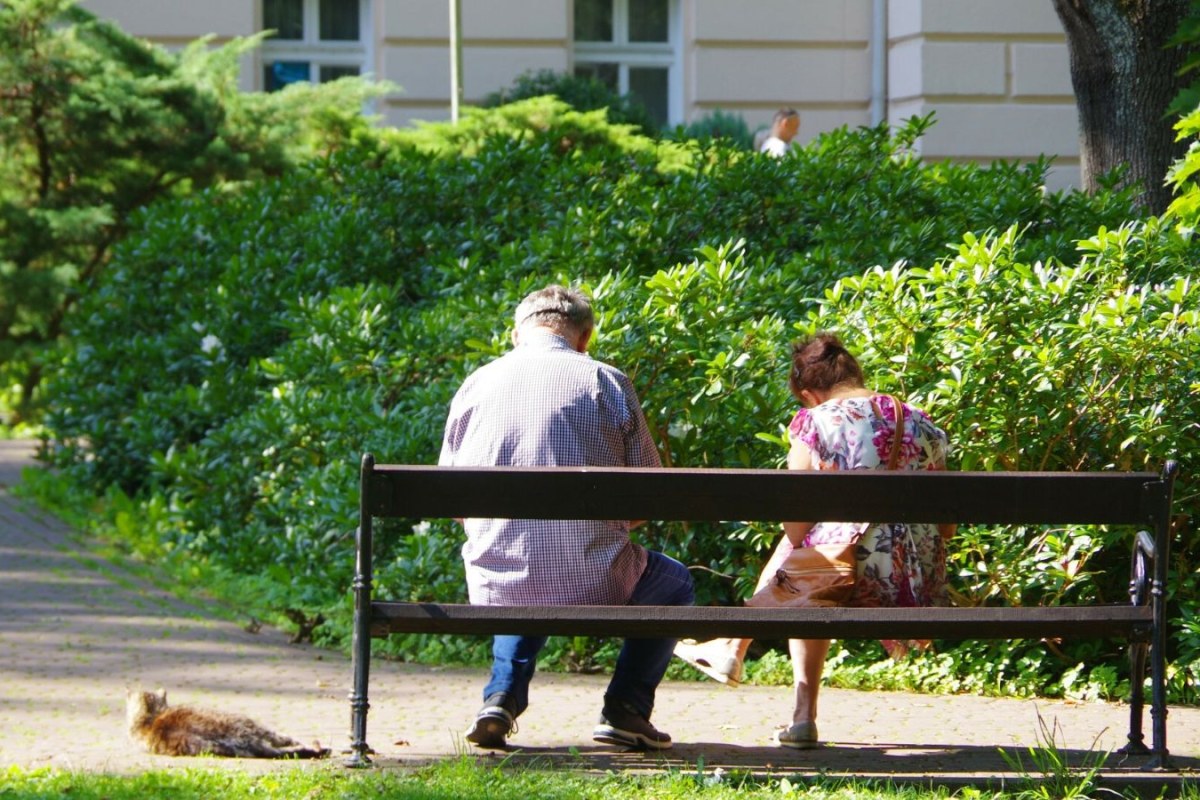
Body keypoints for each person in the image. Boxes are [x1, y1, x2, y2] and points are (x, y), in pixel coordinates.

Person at [439, 284, 695, 751]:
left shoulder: (476, 384)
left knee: (521, 561)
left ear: (516, 334)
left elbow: (454, 501)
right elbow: (648, 496)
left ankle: (500, 697)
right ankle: (626, 710)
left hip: (499, 579)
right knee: (675, 584)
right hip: (597, 581)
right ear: (584, 337)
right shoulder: (606, 381)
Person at [674, 333, 953, 749]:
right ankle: (734, 647)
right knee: (814, 555)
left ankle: (762, 673)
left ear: (808, 393)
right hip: (911, 579)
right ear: (854, 373)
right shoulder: (920, 421)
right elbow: (945, 528)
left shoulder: (817, 420)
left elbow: (795, 524)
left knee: (805, 554)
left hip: (840, 578)